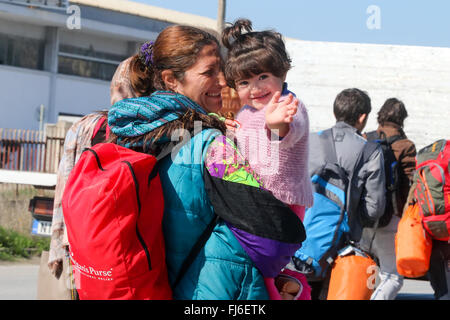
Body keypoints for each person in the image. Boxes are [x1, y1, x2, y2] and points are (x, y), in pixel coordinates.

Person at [107, 25, 305, 300]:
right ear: (171, 79)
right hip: (217, 289)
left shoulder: (128, 134)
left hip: (155, 285)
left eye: (221, 71)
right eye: (209, 72)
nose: (223, 81)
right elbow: (272, 241)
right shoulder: (213, 146)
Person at [220, 18, 313, 299]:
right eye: (245, 82)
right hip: (257, 202)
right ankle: (291, 287)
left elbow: (287, 131)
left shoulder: (288, 104)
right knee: (259, 269)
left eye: (263, 77)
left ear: (282, 73)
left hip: (282, 203)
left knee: (261, 265)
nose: (255, 88)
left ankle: (294, 290)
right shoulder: (245, 113)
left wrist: (275, 125)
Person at [48, 56, 138, 279]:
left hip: (83, 245)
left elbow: (65, 188)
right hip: (127, 254)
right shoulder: (159, 130)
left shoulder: (86, 126)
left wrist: (60, 242)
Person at [306, 88, 386, 299]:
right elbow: (374, 208)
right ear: (362, 117)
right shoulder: (370, 151)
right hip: (341, 248)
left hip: (302, 242)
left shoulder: (310, 140)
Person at [359, 98, 417, 300]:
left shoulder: (366, 138)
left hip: (364, 216)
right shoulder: (406, 145)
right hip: (390, 217)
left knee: (364, 269)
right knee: (392, 276)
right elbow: (411, 184)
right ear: (402, 119)